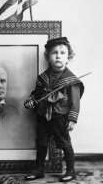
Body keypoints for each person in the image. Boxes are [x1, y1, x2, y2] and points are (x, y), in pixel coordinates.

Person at [24, 37, 85, 182]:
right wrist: (31, 101)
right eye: (54, 53)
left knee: (64, 143)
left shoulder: (71, 80)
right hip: (43, 115)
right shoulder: (42, 78)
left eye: (62, 53)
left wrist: (72, 119)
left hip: (60, 117)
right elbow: (36, 94)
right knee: (41, 143)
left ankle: (71, 171)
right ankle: (39, 169)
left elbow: (75, 102)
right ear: (47, 57)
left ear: (68, 58)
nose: (58, 56)